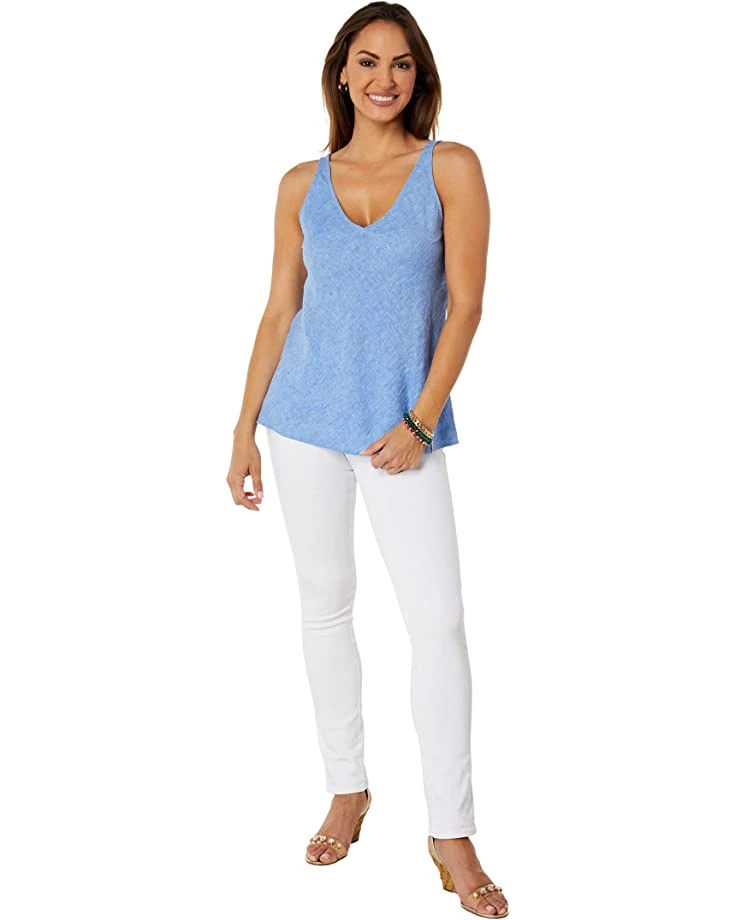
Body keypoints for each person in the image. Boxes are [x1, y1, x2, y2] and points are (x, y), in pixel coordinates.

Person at [226, 4, 507, 916]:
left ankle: (450, 830)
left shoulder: (451, 168)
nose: (384, 78)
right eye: (367, 61)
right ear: (341, 74)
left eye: (401, 62)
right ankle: (346, 788)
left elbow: (466, 306)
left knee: (439, 623)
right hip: (300, 421)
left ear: (418, 76)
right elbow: (280, 310)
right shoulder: (299, 183)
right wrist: (242, 430)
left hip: (400, 434)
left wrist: (419, 423)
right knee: (324, 607)